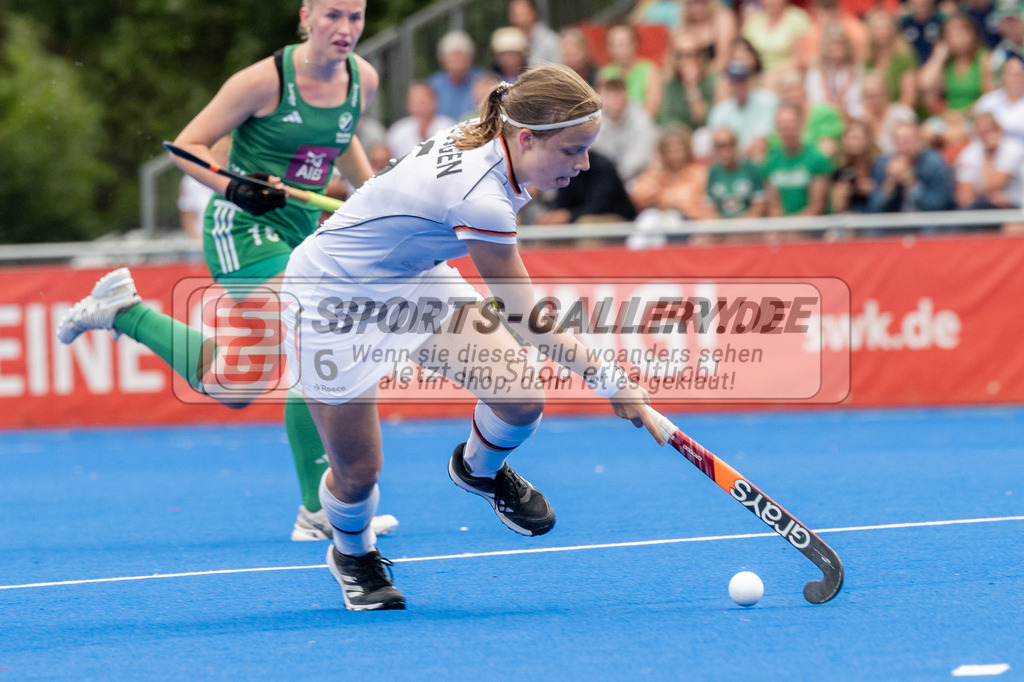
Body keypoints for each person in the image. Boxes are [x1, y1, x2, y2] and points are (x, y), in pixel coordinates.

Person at [280, 64, 662, 610]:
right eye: (573, 151)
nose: (581, 166)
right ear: (527, 137)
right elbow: (528, 320)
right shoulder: (482, 197)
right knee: (358, 472)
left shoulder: (497, 137)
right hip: (331, 299)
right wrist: (612, 380)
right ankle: (352, 553)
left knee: (521, 396)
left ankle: (477, 470)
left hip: (411, 276)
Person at [57, 0, 395, 542]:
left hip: (302, 229)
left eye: (355, 18)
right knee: (323, 333)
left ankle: (127, 312)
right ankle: (320, 507)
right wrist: (234, 185)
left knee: (238, 383)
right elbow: (185, 147)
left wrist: (376, 193)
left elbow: (343, 135)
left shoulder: (363, 80)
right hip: (242, 229)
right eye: (333, 16)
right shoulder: (263, 81)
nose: (345, 30)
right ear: (306, 16)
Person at [761, 103, 834, 218]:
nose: (787, 132)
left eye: (790, 126)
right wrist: (781, 227)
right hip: (783, 228)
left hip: (813, 228)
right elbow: (774, 205)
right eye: (782, 126)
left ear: (800, 125)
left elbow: (817, 206)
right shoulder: (770, 162)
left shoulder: (817, 159)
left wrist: (792, 227)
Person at [867, 119, 955, 213]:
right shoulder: (883, 165)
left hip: (928, 223)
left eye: (908, 142)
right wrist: (889, 184)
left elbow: (939, 206)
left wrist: (911, 184)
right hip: (894, 224)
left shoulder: (934, 163)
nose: (905, 148)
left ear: (920, 142)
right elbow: (874, 210)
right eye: (900, 142)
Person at [706, 61, 780, 161]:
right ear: (729, 84)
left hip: (766, 155)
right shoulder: (720, 112)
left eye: (742, 81)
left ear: (750, 81)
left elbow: (771, 136)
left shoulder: (769, 101)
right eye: (734, 82)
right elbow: (717, 144)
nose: (739, 86)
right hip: (734, 161)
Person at [591, 77, 658, 182]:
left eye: (618, 96)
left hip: (637, 177)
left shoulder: (642, 120)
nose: (616, 101)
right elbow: (594, 152)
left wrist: (614, 176)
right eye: (611, 96)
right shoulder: (596, 121)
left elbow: (641, 159)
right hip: (605, 177)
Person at [954, 111, 1024, 210]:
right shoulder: (969, 153)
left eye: (989, 131)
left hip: (1013, 208)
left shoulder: (1014, 149)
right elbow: (963, 196)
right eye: (982, 133)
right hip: (979, 208)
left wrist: (988, 155)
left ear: (999, 129)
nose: (986, 136)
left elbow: (992, 184)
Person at [597, 22, 663, 117]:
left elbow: (651, 111)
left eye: (623, 43)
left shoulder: (651, 70)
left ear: (635, 43)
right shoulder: (605, 72)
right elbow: (602, 109)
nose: (619, 49)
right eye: (614, 44)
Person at [740, 0, 813, 86]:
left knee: (771, 82)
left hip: (786, 74)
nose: (771, 2)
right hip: (756, 73)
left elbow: (799, 60)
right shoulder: (754, 20)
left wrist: (774, 75)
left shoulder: (798, 19)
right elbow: (743, 50)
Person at [657, 30, 717, 131]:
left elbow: (704, 121)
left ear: (701, 56)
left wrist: (692, 87)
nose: (685, 60)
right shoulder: (670, 83)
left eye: (691, 54)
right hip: (677, 138)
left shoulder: (713, 81)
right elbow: (666, 120)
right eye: (680, 55)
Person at [705, 127, 766, 220]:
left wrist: (741, 224)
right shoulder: (713, 173)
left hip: (747, 227)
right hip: (722, 228)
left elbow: (759, 207)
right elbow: (709, 209)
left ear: (736, 145)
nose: (725, 151)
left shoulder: (751, 169)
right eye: (719, 146)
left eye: (729, 145)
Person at [428, 30, 489, 122]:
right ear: (443, 59)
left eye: (461, 56)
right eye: (452, 56)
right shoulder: (434, 84)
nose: (457, 61)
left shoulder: (483, 80)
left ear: (470, 57)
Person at [386, 81, 456, 158]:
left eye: (423, 101)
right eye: (415, 101)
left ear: (434, 101)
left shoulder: (449, 127)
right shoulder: (397, 131)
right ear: (408, 105)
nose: (419, 105)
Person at [830, 119, 879, 213]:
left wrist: (874, 190)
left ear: (868, 139)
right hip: (850, 217)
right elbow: (837, 208)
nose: (853, 143)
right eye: (850, 138)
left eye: (857, 138)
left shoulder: (878, 166)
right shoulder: (840, 169)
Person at [974, 54, 1024, 143]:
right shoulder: (988, 101)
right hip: (989, 151)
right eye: (1013, 75)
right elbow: (974, 127)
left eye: (1020, 74)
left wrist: (998, 127)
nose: (1017, 79)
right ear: (1003, 76)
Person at [508, 0, 561, 67]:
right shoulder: (510, 41)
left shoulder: (550, 41)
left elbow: (556, 71)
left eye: (521, 13)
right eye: (514, 14)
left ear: (533, 13)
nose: (517, 19)